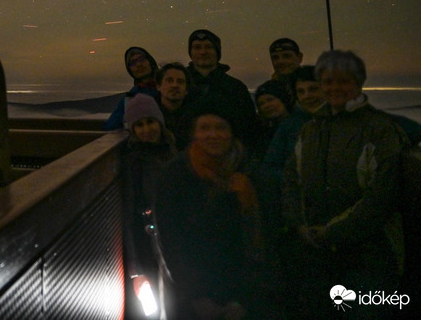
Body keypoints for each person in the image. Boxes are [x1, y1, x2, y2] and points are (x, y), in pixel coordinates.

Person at [281, 50, 409, 318]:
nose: (334, 88)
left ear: (358, 84)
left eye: (343, 81)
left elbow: (382, 196)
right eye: (328, 82)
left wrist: (331, 231)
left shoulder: (379, 129)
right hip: (318, 254)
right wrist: (300, 225)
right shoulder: (311, 129)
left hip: (369, 255)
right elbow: (292, 180)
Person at [154, 103, 264, 319]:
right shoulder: (174, 175)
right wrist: (196, 297)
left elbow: (258, 237)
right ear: (194, 133)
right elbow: (170, 239)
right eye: (204, 128)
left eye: (221, 127)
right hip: (193, 297)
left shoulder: (248, 170)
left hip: (241, 293)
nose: (213, 135)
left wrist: (244, 298)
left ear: (232, 133)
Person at [121, 94, 178, 318]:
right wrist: (136, 270)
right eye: (140, 125)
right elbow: (128, 214)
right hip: (149, 248)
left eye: (150, 122)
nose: (147, 130)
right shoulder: (133, 162)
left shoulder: (172, 152)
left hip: (176, 245)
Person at [186, 29, 261, 155]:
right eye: (197, 47)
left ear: (217, 52)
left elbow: (250, 129)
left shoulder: (235, 88)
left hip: (228, 158)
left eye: (208, 47)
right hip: (187, 158)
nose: (203, 52)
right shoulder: (179, 84)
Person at [103, 47, 160, 131]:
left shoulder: (166, 88)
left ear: (150, 62)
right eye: (132, 63)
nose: (138, 65)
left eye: (141, 59)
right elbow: (111, 125)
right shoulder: (132, 96)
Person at [156, 62, 197, 150]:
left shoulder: (196, 119)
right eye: (169, 80)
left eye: (180, 82)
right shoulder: (150, 118)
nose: (175, 85)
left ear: (187, 89)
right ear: (158, 86)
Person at [255, 79, 292, 153]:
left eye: (270, 100)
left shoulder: (298, 127)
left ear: (283, 99)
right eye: (261, 103)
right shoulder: (263, 134)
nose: (266, 105)